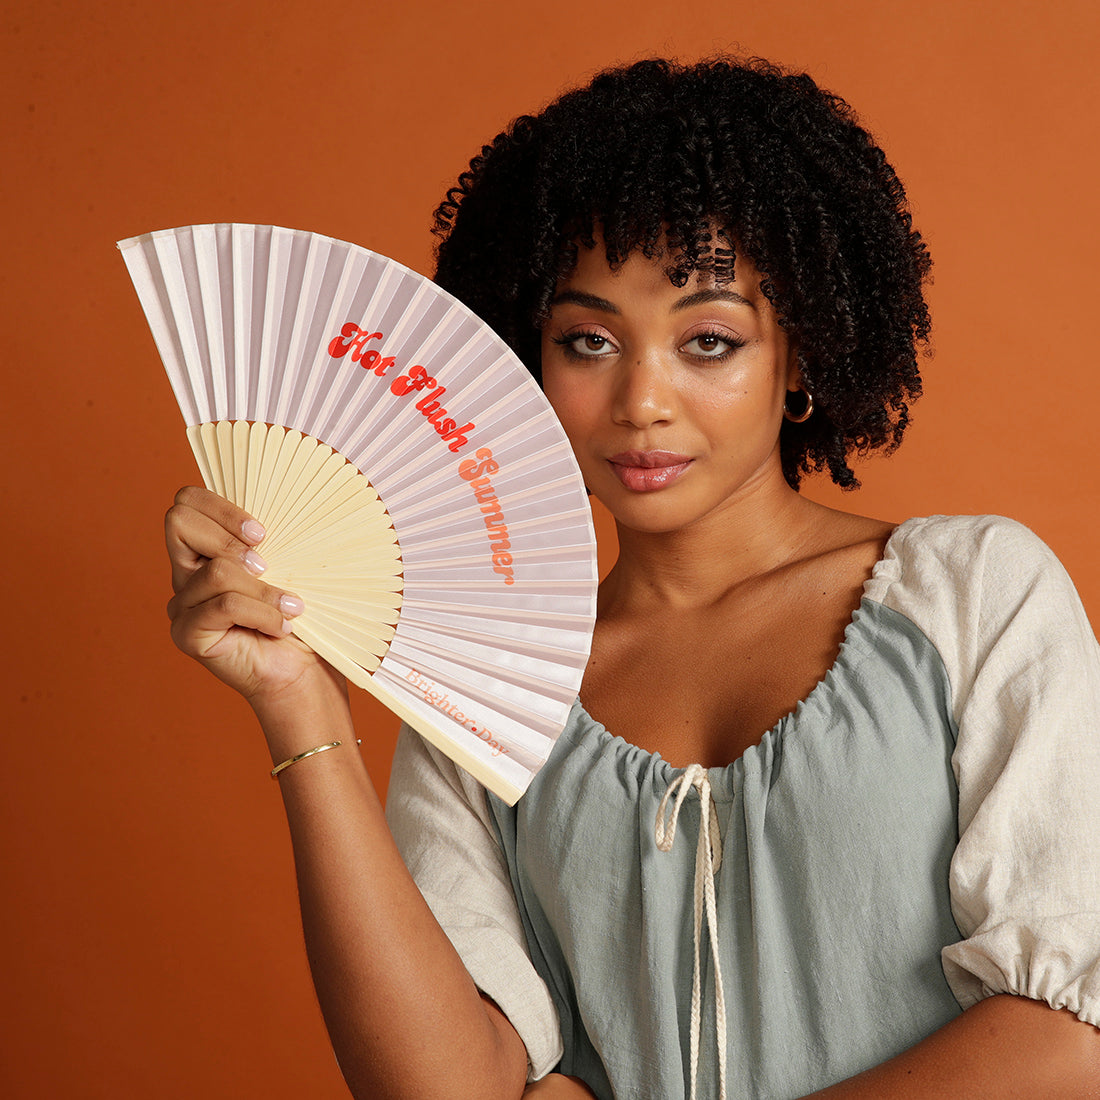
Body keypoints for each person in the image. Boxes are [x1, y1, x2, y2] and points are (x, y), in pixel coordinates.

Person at [164, 58, 1100, 1098]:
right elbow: (445, 1084)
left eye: (708, 340)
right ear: (528, 356)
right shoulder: (480, 677)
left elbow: (1068, 1033)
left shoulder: (972, 593)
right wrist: (300, 702)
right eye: (588, 340)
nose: (641, 398)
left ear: (800, 355)